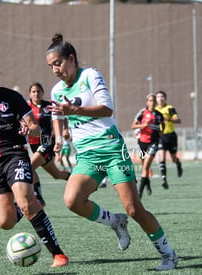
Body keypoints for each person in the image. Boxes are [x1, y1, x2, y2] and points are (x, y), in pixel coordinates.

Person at [45, 34, 177, 271]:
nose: (55, 69)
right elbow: (56, 115)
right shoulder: (56, 91)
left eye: (58, 63)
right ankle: (115, 222)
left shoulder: (90, 75)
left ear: (71, 58)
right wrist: (57, 138)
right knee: (72, 201)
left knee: (134, 209)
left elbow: (107, 109)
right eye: (51, 66)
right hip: (86, 156)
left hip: (112, 149)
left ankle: (168, 254)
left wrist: (74, 109)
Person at [0, 58, 69, 267]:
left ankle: (58, 254)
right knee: (6, 222)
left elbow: (36, 127)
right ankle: (25, 205)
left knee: (27, 201)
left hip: (14, 155)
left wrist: (30, 129)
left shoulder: (13, 98)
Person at [27, 82, 70, 206]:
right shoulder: (26, 107)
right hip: (33, 145)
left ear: (42, 92)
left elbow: (63, 115)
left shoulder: (49, 105)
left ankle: (37, 196)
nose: (36, 94)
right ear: (30, 94)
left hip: (47, 143)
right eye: (33, 92)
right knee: (57, 175)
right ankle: (77, 179)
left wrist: (65, 129)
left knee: (29, 167)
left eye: (38, 91)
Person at [131, 94, 165, 199]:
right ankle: (148, 183)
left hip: (153, 142)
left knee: (145, 167)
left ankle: (139, 193)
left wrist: (161, 132)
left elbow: (162, 125)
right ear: (147, 102)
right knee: (144, 168)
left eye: (154, 101)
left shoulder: (159, 115)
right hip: (142, 142)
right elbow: (133, 126)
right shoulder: (142, 112)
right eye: (150, 100)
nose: (152, 102)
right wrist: (143, 126)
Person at [155, 90, 183, 189]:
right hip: (160, 137)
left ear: (165, 98)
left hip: (171, 136)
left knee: (173, 158)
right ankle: (164, 179)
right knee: (162, 158)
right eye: (158, 97)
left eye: (162, 97)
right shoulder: (154, 110)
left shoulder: (169, 108)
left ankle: (178, 163)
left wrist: (168, 119)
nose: (160, 99)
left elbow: (178, 120)